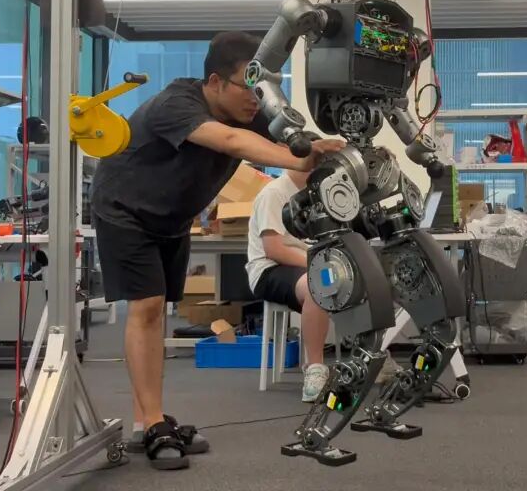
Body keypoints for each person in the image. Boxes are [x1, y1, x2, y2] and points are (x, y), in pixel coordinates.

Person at [89, 31, 343, 470]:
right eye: (249, 88)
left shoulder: (249, 109)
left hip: (171, 218)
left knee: (156, 311)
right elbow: (231, 142)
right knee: (146, 307)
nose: (257, 100)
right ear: (215, 82)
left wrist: (330, 147)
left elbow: (290, 138)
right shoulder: (177, 104)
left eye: (264, 89)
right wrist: (299, 158)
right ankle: (153, 422)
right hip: (123, 209)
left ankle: (145, 421)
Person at [246, 168, 331, 402]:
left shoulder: (318, 192)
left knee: (355, 279)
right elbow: (274, 249)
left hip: (305, 265)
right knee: (318, 283)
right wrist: (319, 263)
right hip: (269, 269)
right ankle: (315, 368)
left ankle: (373, 356)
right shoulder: (274, 194)